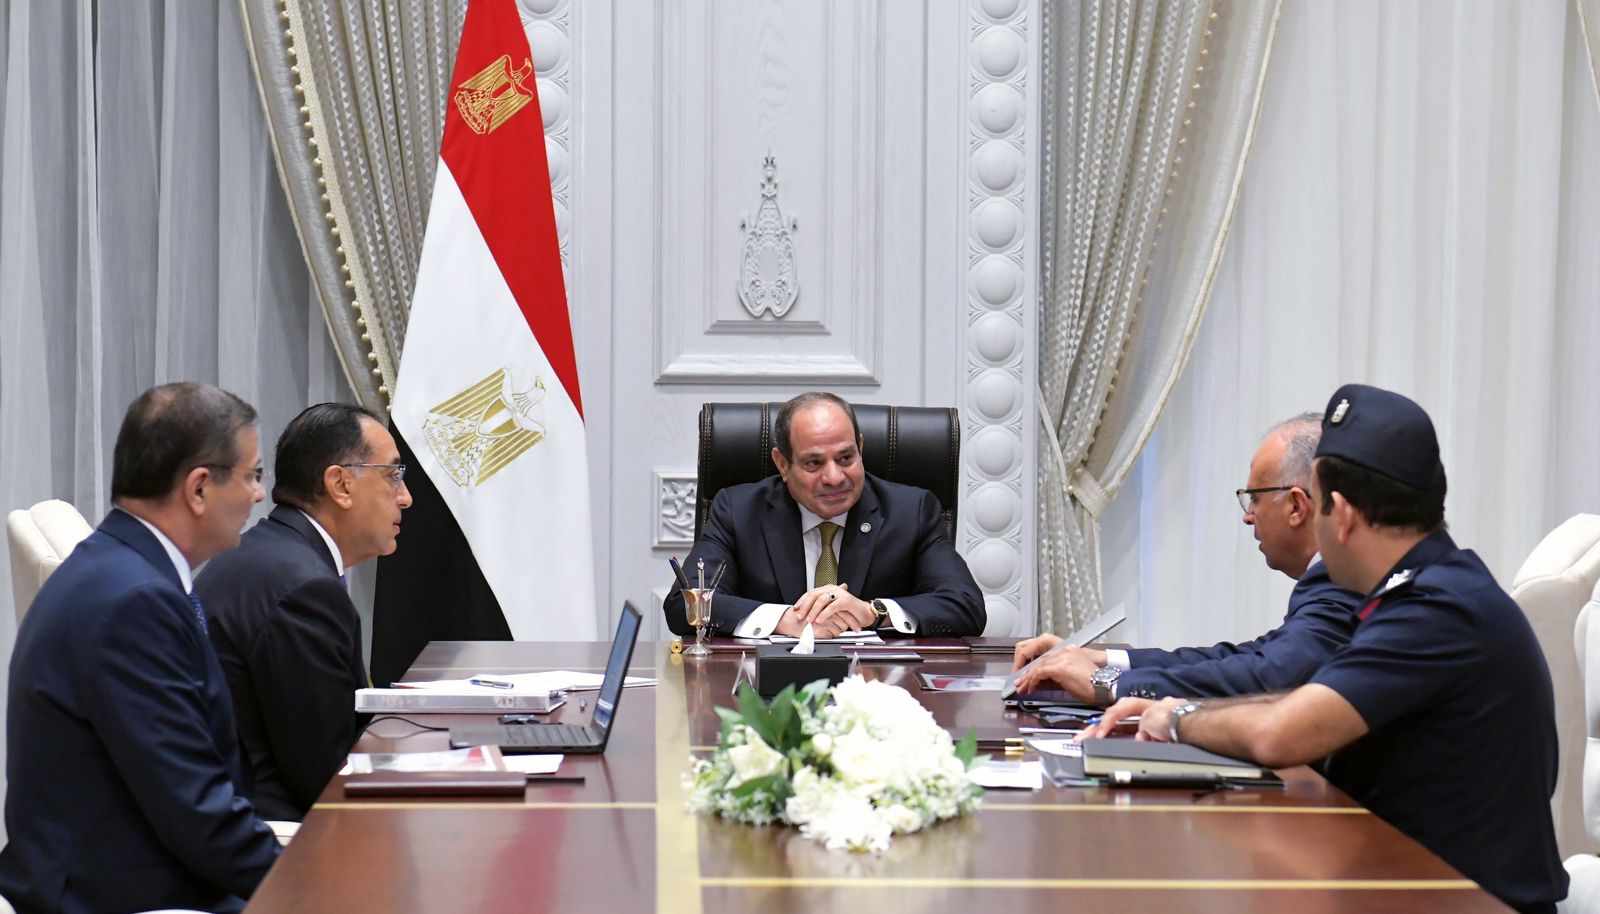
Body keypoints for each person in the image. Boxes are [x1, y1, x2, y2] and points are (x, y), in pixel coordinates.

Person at [1081, 384, 1566, 914]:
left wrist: (1177, 719)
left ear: (1342, 513)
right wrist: (1177, 707)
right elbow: (1308, 697)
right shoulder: (1427, 589)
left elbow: (1281, 732)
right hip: (1416, 883)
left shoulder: (1436, 611)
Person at [0, 383, 282, 914]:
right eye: (253, 475)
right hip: (122, 900)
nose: (259, 494)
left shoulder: (119, 570)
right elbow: (197, 810)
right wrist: (318, 882)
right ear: (199, 488)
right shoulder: (134, 602)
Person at [1009, 413, 1361, 704]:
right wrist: (1104, 661)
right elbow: (1248, 658)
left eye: (1254, 498)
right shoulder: (1328, 578)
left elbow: (1269, 674)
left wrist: (1106, 683)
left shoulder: (1343, 581)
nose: (1248, 516)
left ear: (1296, 506)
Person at [196, 403, 413, 821]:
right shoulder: (303, 589)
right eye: (392, 475)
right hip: (278, 833)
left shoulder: (270, 556)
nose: (405, 497)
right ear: (341, 485)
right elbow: (325, 776)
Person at [663, 392, 985, 638]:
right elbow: (684, 604)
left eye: (846, 458)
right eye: (814, 463)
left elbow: (966, 606)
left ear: (860, 448)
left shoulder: (911, 511)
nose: (834, 477)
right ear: (782, 464)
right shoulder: (738, 510)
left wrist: (873, 612)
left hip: (878, 690)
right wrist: (784, 619)